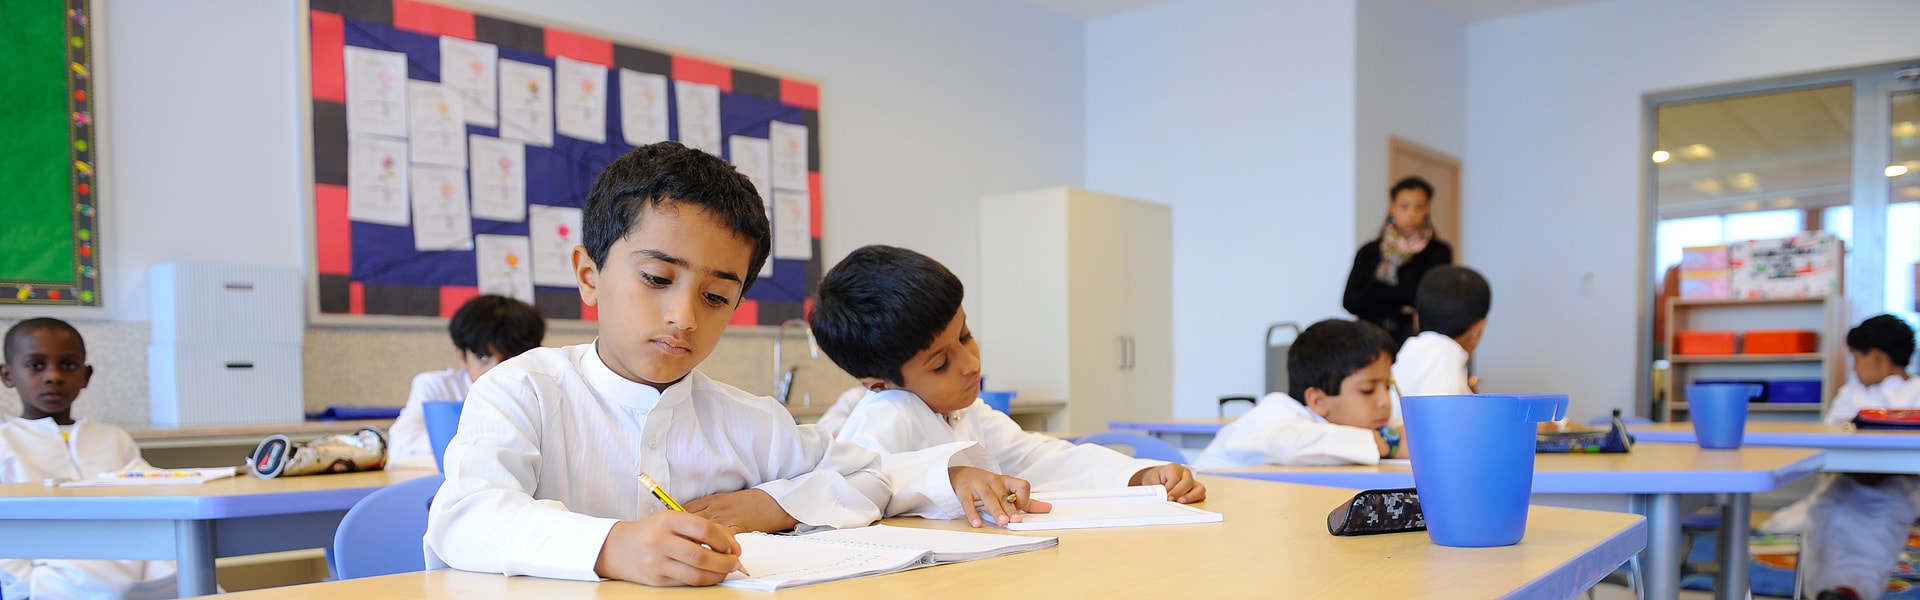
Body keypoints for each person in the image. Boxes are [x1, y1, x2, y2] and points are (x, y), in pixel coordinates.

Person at [424, 142, 984, 588]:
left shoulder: (749, 420)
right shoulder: (524, 390)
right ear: (589, 275)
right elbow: (467, 517)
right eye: (657, 279)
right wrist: (614, 545)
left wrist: (770, 504)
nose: (683, 317)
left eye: (716, 297)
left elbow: (869, 476)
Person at [811, 245, 1205, 506]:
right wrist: (951, 477)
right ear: (879, 382)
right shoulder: (886, 413)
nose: (970, 363)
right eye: (940, 363)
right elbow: (855, 485)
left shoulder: (967, 413)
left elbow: (1037, 458)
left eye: (966, 335)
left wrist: (1138, 477)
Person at [0, 318, 178, 600]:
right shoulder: (5, 443)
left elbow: (151, 498)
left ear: (86, 375)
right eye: (36, 365)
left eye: (68, 365)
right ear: (8, 375)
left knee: (192, 574)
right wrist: (23, 586)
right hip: (53, 571)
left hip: (132, 558)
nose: (54, 376)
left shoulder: (112, 438)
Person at [1805, 314, 1920, 600]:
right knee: (1823, 512)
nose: (1855, 369)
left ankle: (1854, 591)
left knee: (1878, 520)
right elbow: (1829, 436)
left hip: (1901, 486)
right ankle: (1820, 590)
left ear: (1878, 358)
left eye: (1857, 359)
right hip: (1847, 481)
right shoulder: (1851, 394)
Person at [1191, 319, 1402, 470]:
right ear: (1319, 401)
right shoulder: (1275, 415)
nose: (1385, 401)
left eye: (1388, 387)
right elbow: (1287, 444)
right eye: (1367, 390)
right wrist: (1389, 443)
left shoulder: (1348, 422)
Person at [387, 294, 545, 463]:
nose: (497, 369)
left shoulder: (541, 390)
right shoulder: (436, 386)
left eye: (510, 358)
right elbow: (400, 444)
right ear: (462, 356)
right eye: (483, 357)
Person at [1343, 176, 1454, 346]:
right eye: (1404, 206)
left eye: (1419, 206)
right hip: (1368, 341)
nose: (1411, 214)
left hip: (1412, 341)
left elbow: (1427, 299)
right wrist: (1402, 304)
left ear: (1427, 210)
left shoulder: (1438, 252)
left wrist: (1374, 292)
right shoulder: (1370, 252)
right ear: (1392, 207)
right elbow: (1350, 301)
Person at [1393, 265, 1490, 398]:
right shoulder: (1445, 360)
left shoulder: (1409, 349)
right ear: (1477, 330)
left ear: (1417, 319)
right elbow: (1444, 416)